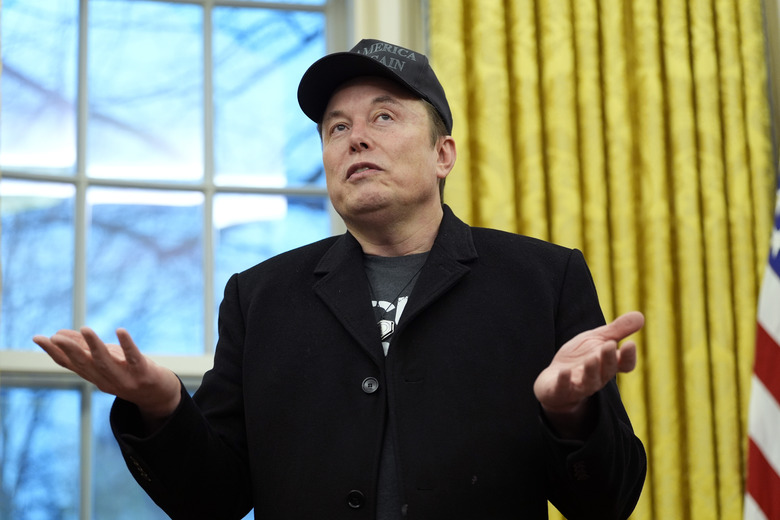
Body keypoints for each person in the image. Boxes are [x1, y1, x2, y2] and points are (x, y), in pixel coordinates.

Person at [34, 39, 647, 520]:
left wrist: (571, 415)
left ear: (443, 155)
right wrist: (161, 406)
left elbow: (606, 502)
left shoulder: (543, 277)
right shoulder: (260, 297)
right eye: (336, 127)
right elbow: (212, 501)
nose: (356, 138)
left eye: (384, 116)